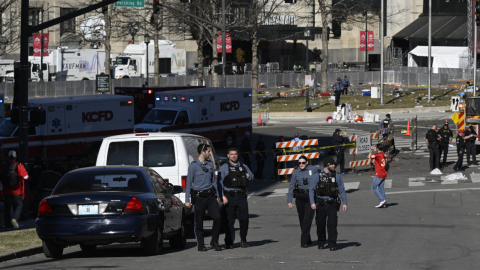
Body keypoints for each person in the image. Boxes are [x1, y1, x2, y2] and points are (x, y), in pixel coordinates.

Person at [185, 144, 221, 251]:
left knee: (217, 217)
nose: (210, 153)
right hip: (199, 197)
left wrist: (217, 195)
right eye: (208, 151)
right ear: (202, 151)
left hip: (210, 196)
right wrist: (187, 200)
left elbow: (213, 182)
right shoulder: (193, 166)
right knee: (199, 221)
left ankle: (214, 241)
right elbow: (188, 184)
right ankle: (201, 244)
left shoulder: (210, 165)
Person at [309, 157, 348, 251]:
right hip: (321, 204)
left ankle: (332, 244)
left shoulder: (336, 176)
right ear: (327, 165)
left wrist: (345, 203)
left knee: (332, 225)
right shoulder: (317, 176)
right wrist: (312, 203)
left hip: (332, 204)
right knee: (320, 225)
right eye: (332, 164)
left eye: (334, 164)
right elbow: (311, 190)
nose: (334, 166)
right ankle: (321, 243)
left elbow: (341, 190)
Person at [219, 147, 254, 249]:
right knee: (229, 221)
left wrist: (248, 176)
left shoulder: (243, 166)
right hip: (229, 196)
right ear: (228, 156)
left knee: (244, 220)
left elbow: (252, 177)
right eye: (232, 154)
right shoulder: (224, 167)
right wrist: (222, 196)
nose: (234, 156)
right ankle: (229, 242)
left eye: (235, 154)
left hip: (241, 196)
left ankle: (243, 239)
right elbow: (219, 183)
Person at [287, 156, 318, 248]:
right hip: (300, 197)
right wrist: (289, 200)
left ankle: (303, 240)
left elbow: (324, 169)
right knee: (302, 220)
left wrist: (332, 168)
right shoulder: (296, 172)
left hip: (310, 197)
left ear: (307, 162)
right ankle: (307, 238)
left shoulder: (313, 169)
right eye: (299, 163)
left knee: (308, 219)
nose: (301, 164)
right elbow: (291, 186)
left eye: (303, 162)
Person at [1, 150, 29, 230]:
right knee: (19, 205)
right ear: (16, 157)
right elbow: (26, 177)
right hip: (16, 190)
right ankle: (15, 219)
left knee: (7, 207)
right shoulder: (19, 166)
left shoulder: (3, 165)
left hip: (6, 190)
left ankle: (7, 225)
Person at [369, 144, 388, 208]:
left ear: (377, 149)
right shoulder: (385, 155)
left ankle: (382, 200)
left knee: (373, 187)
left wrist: (372, 149)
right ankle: (383, 203)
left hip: (379, 173)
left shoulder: (378, 155)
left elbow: (369, 156)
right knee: (381, 188)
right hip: (384, 173)